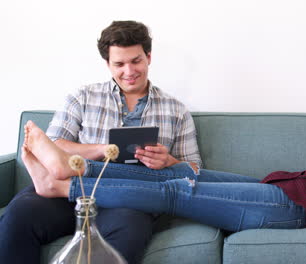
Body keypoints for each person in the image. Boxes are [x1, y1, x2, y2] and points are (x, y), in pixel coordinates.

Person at [21, 119, 306, 232]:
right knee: (169, 171)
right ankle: (71, 168)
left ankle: (64, 183)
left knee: (180, 189)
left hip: (288, 210)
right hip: (272, 186)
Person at [0, 21, 203, 264]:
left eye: (136, 61)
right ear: (107, 64)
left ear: (148, 57)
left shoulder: (176, 110)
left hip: (130, 202)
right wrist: (101, 150)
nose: (129, 71)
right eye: (119, 64)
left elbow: (195, 170)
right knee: (19, 213)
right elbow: (54, 146)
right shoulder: (82, 97)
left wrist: (169, 161)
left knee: (131, 229)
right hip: (73, 192)